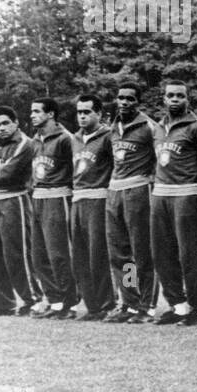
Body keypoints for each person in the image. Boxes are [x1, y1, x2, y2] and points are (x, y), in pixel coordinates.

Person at [148, 80, 197, 326]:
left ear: (187, 99)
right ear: (163, 99)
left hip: (187, 193)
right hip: (160, 194)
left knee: (189, 254)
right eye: (170, 95)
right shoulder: (157, 128)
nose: (174, 99)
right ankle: (178, 305)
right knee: (162, 254)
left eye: (179, 96)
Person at [0, 107, 40, 315]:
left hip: (15, 199)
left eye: (6, 123)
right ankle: (3, 302)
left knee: (17, 252)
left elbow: (10, 174)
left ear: (16, 122)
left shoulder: (25, 143)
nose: (2, 128)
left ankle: (32, 299)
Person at [106, 83, 160, 323]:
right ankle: (129, 301)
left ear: (138, 101)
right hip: (115, 191)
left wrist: (153, 183)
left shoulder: (148, 126)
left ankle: (147, 305)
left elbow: (162, 159)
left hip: (138, 190)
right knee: (121, 253)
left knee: (143, 250)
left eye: (130, 98)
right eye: (121, 98)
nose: (124, 102)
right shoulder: (113, 127)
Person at [26, 98, 79, 319]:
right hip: (38, 198)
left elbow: (77, 170)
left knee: (59, 254)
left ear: (50, 114)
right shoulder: (34, 141)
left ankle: (70, 303)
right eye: (31, 111)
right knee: (39, 256)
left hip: (58, 197)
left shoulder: (66, 139)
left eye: (37, 111)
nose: (32, 115)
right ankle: (55, 301)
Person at [70, 94, 116, 320]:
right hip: (77, 200)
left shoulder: (108, 136)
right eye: (79, 112)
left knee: (102, 255)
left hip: (100, 199)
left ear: (99, 113)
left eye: (87, 112)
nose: (82, 116)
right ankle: (93, 306)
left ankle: (114, 302)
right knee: (81, 257)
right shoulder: (75, 139)